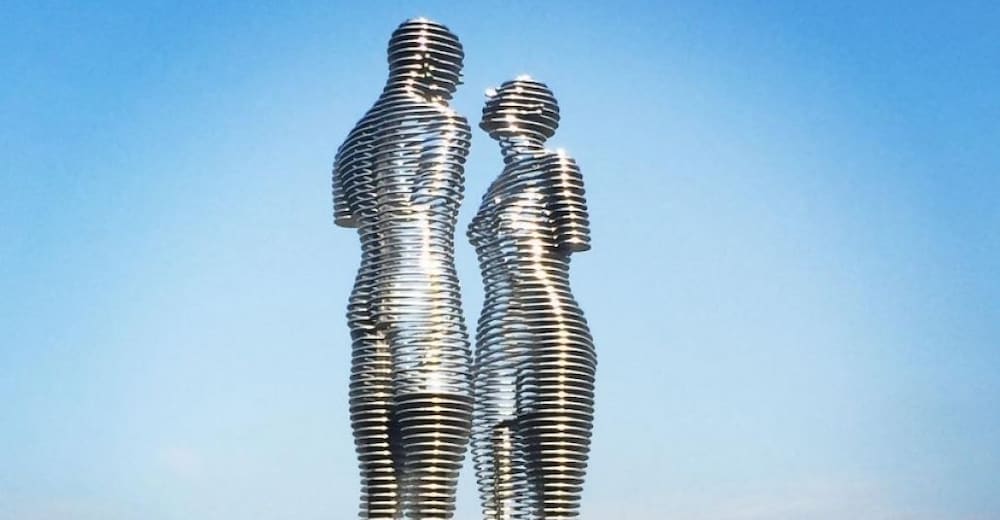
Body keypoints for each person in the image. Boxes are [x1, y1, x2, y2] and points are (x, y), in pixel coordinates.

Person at [332, 17, 473, 520]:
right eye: (455, 69)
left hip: (366, 296)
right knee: (432, 465)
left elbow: (345, 216)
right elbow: (432, 203)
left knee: (380, 476)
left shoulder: (351, 140)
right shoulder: (445, 121)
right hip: (423, 291)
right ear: (432, 61)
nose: (456, 82)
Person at [468, 76, 596, 520]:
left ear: (533, 109)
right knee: (496, 492)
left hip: (550, 330)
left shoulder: (556, 165)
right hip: (495, 337)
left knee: (550, 495)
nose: (490, 97)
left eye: (503, 94)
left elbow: (573, 238)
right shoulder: (494, 186)